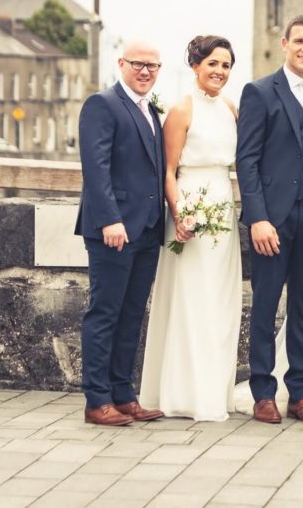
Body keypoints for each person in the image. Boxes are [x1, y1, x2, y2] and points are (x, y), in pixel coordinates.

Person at [236, 14, 303, 424]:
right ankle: (263, 391)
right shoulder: (259, 92)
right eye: (298, 40)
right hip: (273, 218)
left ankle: (301, 393)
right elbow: (246, 160)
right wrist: (258, 219)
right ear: (284, 43)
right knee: (264, 305)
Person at [140, 35, 241, 421]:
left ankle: (213, 391)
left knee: (219, 300)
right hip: (191, 205)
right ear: (196, 66)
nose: (219, 71)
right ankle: (184, 393)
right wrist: (180, 214)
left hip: (222, 208)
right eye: (213, 63)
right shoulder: (182, 110)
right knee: (192, 296)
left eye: (226, 65)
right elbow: (168, 170)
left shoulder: (231, 109)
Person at [75, 42, 166, 426]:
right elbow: (95, 168)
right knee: (105, 313)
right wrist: (111, 220)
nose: (145, 71)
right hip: (114, 229)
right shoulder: (103, 104)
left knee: (131, 314)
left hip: (147, 228)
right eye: (138, 64)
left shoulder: (152, 111)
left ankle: (123, 394)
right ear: (121, 64)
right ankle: (97, 401)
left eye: (152, 66)